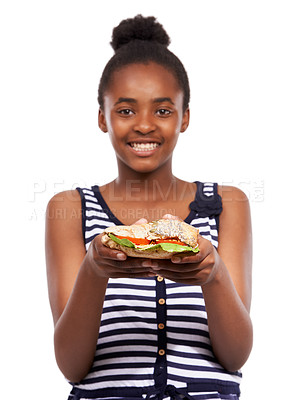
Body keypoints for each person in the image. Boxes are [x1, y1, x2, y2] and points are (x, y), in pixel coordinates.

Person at [45, 15, 253, 400]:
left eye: (162, 110)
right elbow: (71, 366)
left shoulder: (226, 203)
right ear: (102, 118)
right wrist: (94, 269)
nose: (144, 125)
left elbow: (235, 355)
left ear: (184, 117)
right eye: (125, 110)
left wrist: (213, 274)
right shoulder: (71, 208)